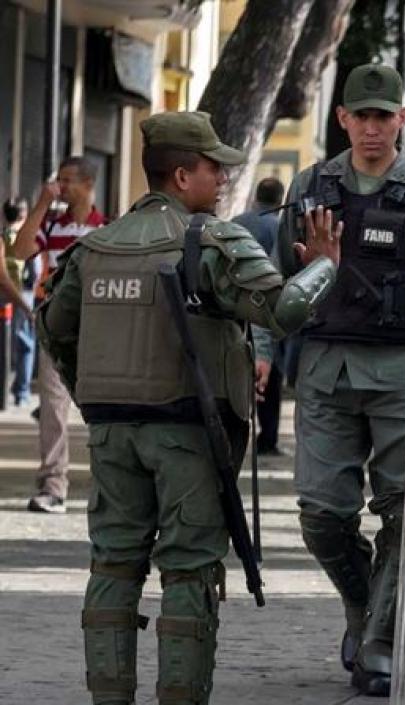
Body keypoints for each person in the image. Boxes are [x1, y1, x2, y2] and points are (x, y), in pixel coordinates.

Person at [36, 110, 340, 705]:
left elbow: (52, 327)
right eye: (212, 167)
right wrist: (325, 263)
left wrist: (95, 397)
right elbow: (284, 311)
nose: (223, 178)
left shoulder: (97, 248)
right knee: (190, 572)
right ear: (180, 176)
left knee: (114, 566)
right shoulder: (211, 241)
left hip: (113, 436)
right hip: (186, 440)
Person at [273, 62, 405, 696]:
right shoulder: (310, 187)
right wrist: (264, 349)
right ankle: (363, 606)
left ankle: (380, 638)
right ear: (343, 119)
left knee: (404, 512)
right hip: (326, 368)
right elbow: (274, 285)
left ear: (402, 120)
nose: (374, 128)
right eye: (363, 116)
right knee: (321, 514)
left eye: (386, 116)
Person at [13, 156, 107, 513]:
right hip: (55, 327)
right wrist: (40, 204)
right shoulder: (51, 225)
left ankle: (109, 485)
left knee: (101, 410)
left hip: (97, 330)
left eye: (66, 181)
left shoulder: (108, 227)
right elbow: (21, 251)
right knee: (52, 408)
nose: (59, 187)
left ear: (86, 184)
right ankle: (53, 485)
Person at [232, 178, 287, 456]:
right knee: (269, 374)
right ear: (280, 199)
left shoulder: (236, 222)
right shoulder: (278, 228)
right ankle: (268, 438)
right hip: (265, 309)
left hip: (234, 308)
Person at [3, 197, 35, 406]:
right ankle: (21, 392)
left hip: (5, 294)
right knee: (26, 345)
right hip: (23, 294)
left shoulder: (3, 235)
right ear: (24, 214)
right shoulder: (26, 238)